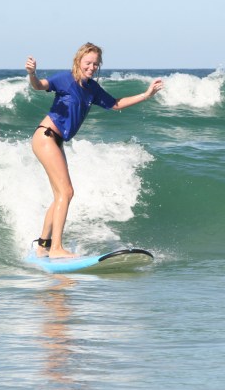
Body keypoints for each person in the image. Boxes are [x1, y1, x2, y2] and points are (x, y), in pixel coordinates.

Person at [26, 42, 163, 258]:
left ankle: (43, 244)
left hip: (56, 141)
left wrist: (145, 95)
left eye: (95, 64)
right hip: (46, 137)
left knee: (60, 196)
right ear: (78, 61)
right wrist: (32, 74)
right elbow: (39, 85)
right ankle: (56, 249)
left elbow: (115, 104)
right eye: (88, 63)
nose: (91, 67)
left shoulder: (91, 88)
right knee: (67, 192)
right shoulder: (65, 78)